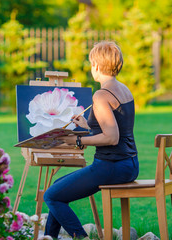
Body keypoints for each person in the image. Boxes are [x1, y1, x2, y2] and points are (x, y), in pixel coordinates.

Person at [42, 41, 139, 239]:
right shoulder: (123, 89)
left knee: (51, 196)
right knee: (57, 187)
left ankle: (82, 238)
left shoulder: (101, 95)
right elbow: (116, 127)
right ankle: (49, 238)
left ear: (96, 64)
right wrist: (87, 126)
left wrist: (78, 141)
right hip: (129, 164)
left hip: (111, 166)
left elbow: (112, 137)